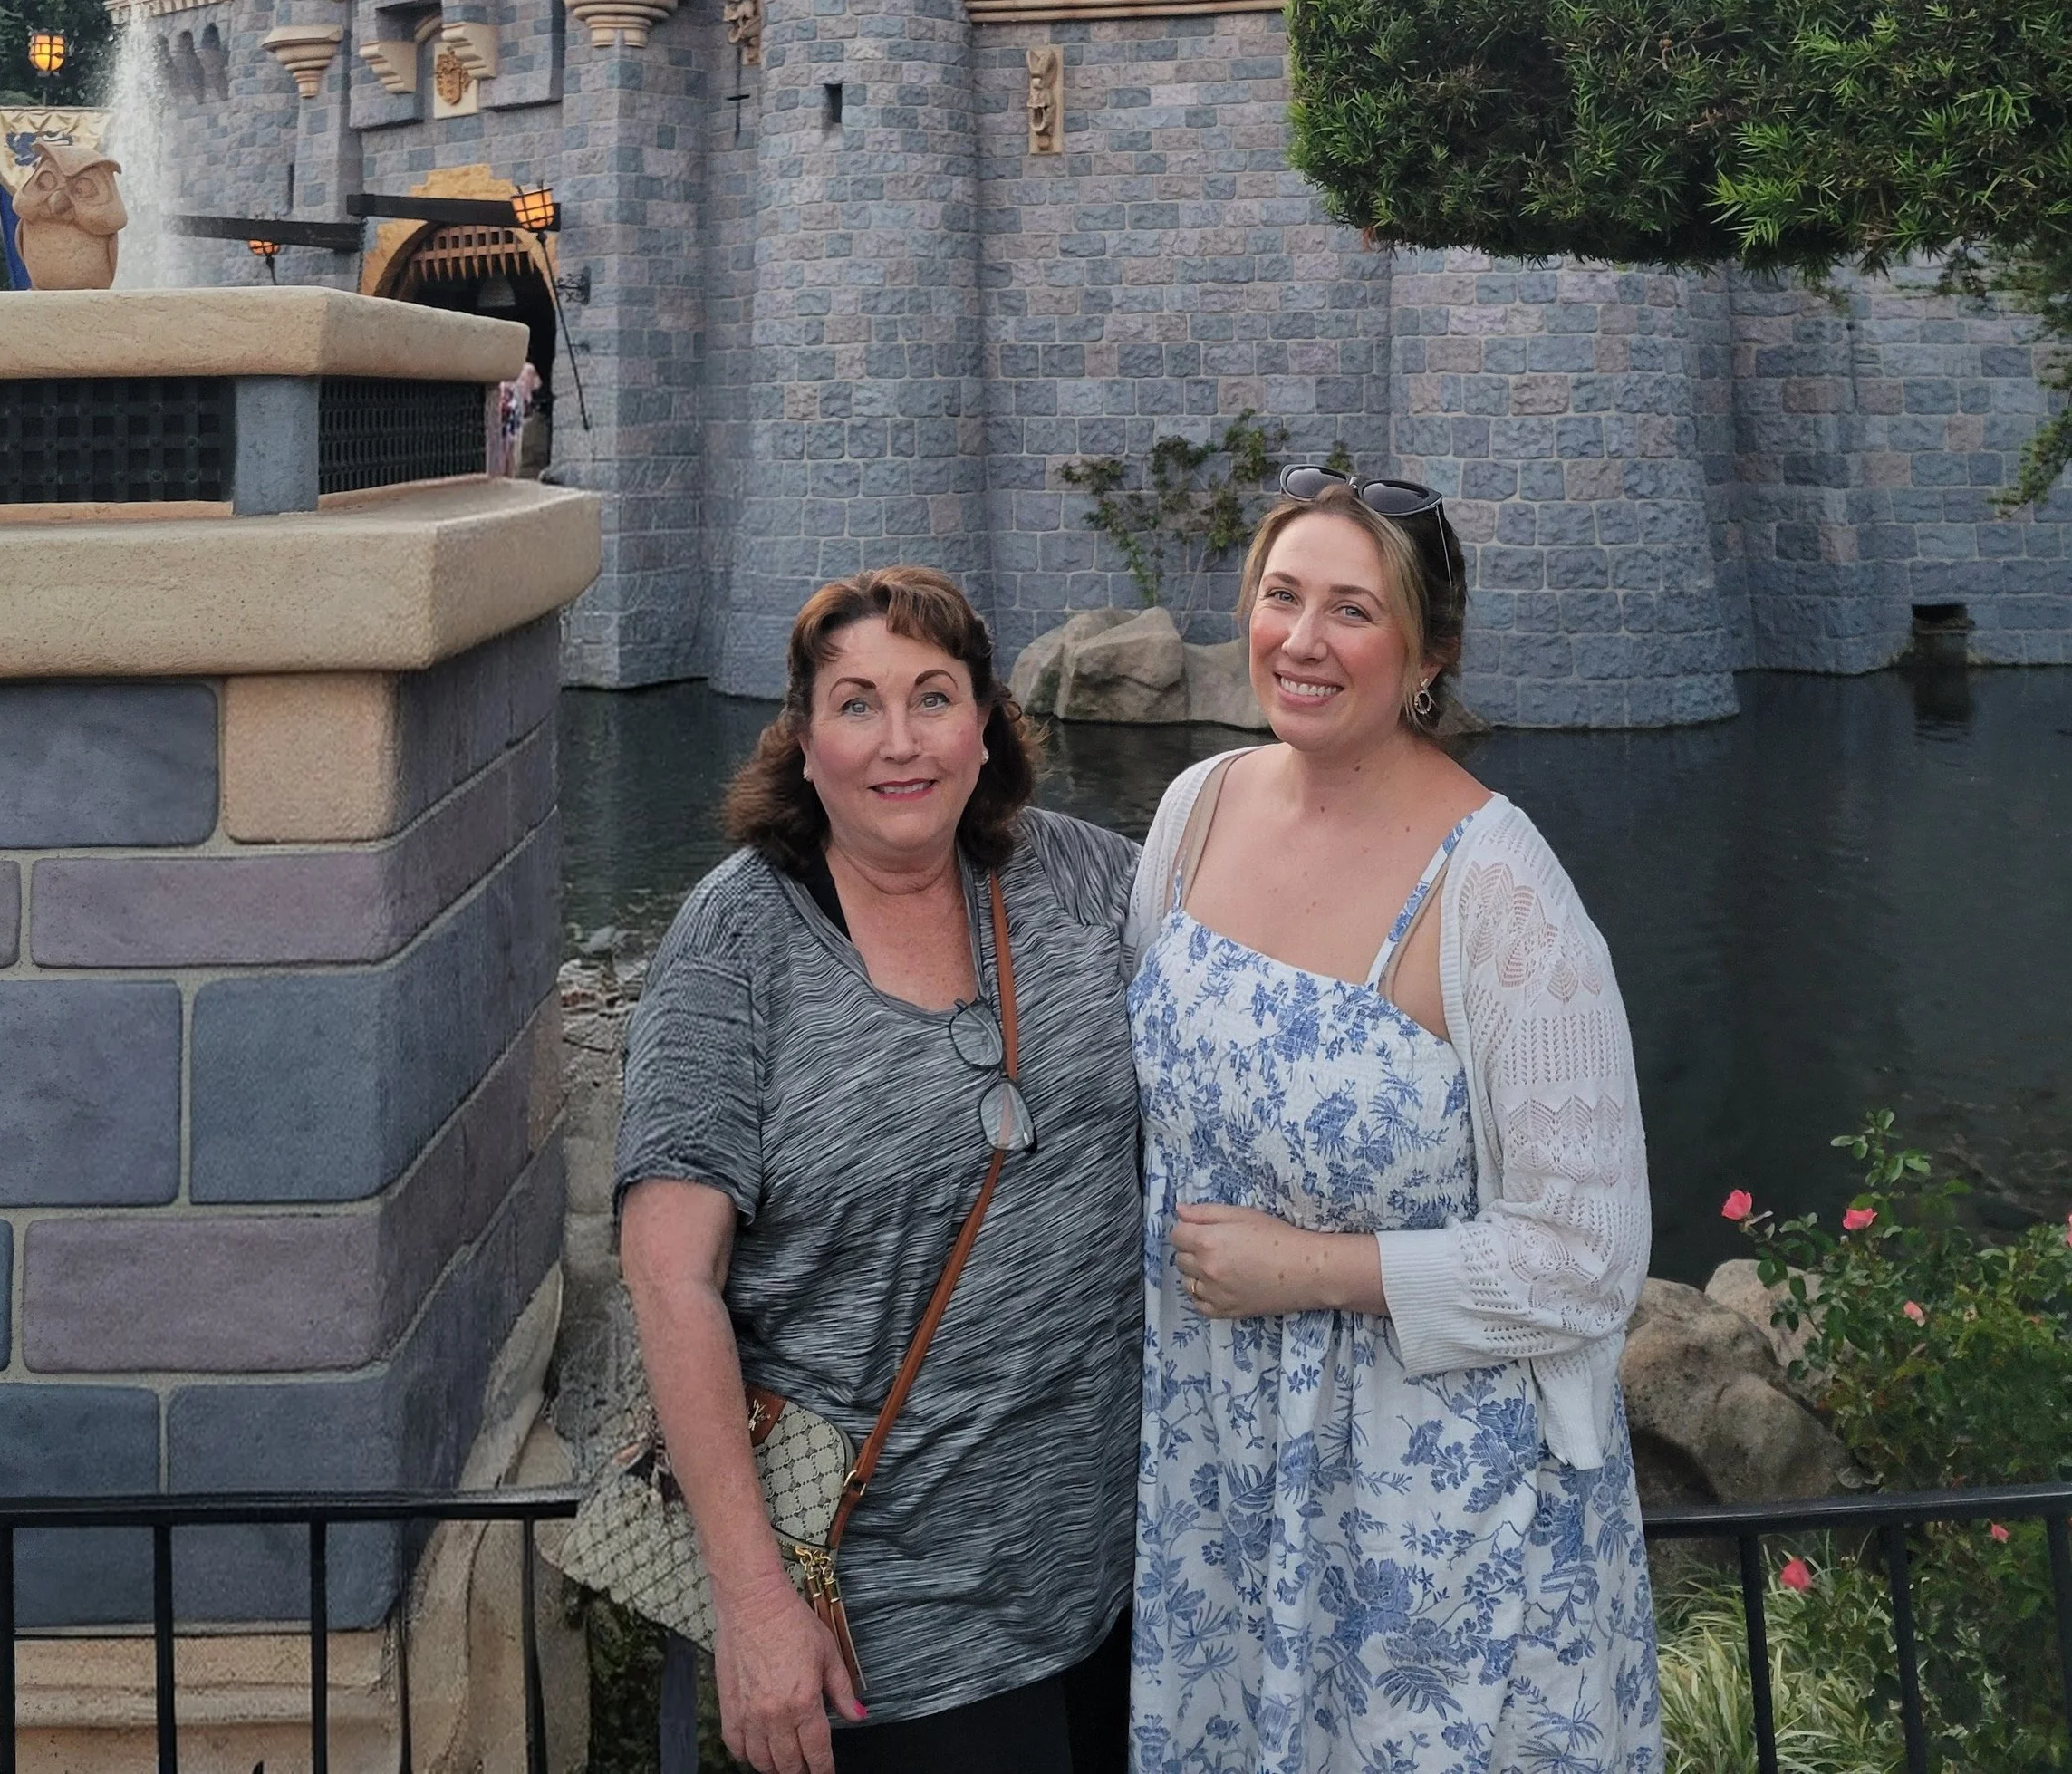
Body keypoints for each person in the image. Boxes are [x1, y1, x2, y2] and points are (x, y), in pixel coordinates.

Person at [1124, 473, 1661, 1772]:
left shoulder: (1503, 894)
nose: (1302, 642)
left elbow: (1589, 1261)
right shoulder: (1195, 812)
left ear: (1428, 653)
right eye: (1280, 597)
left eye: (1351, 611)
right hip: (1225, 1476)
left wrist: (1306, 1271)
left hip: (1437, 1520)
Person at [616, 565, 1142, 1774]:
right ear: (804, 740)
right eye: (857, 704)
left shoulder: (1079, 882)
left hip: (1110, 1584)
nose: (899, 743)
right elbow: (670, 1278)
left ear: (986, 726)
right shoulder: (736, 937)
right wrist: (753, 1608)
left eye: (934, 698)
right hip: (873, 1625)